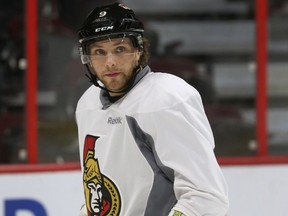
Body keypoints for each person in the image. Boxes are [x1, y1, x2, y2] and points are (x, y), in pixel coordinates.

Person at [76, 2, 229, 216]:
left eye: (120, 49)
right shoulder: (87, 104)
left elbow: (205, 197)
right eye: (99, 52)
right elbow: (97, 189)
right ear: (88, 60)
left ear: (138, 51)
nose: (110, 62)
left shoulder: (166, 99)